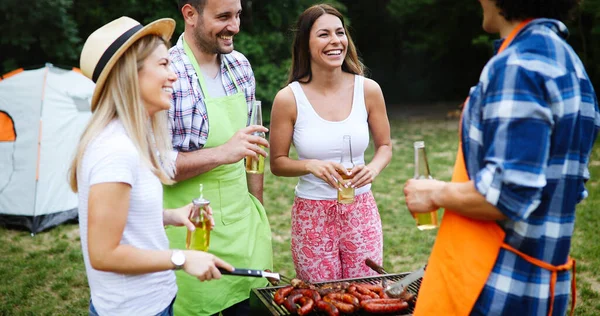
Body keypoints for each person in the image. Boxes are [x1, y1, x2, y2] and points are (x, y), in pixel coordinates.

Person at [403, 1, 600, 315]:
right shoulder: (571, 65)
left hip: (495, 289)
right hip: (542, 286)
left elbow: (508, 193)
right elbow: (568, 189)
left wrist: (433, 192)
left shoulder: (517, 65)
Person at [70, 16, 234, 316]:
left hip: (154, 302)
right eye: (163, 65)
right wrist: (182, 258)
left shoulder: (131, 136)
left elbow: (120, 218)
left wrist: (170, 215)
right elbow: (104, 253)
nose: (174, 76)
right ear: (130, 74)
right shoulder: (114, 151)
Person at [164, 0, 273, 315]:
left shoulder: (240, 65)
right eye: (223, 16)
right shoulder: (167, 72)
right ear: (190, 15)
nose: (235, 26)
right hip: (190, 237)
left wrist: (258, 209)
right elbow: (159, 167)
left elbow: (253, 147)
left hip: (244, 233)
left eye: (237, 15)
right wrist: (224, 153)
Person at [269, 4, 392, 282]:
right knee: (323, 298)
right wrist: (310, 165)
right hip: (311, 215)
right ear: (305, 43)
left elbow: (385, 147)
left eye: (340, 32)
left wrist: (371, 170)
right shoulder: (288, 99)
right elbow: (277, 163)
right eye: (323, 34)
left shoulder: (368, 90)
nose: (335, 41)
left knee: (366, 291)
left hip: (361, 210)